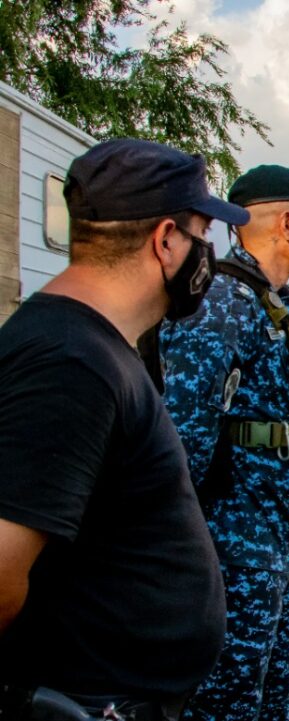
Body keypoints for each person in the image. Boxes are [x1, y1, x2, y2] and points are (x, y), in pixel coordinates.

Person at [0, 139, 240, 720]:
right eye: (203, 235)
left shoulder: (97, 347)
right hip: (85, 704)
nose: (208, 255)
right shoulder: (70, 362)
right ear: (165, 241)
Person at [160, 163, 289, 721]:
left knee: (275, 691)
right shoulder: (223, 301)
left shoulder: (274, 302)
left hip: (281, 532)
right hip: (236, 544)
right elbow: (183, 438)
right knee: (229, 701)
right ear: (286, 223)